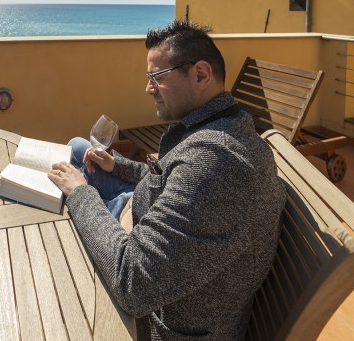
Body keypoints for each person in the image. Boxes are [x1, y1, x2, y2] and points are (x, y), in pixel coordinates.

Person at [48, 20, 286, 340]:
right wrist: (116, 165)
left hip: (154, 302)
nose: (148, 89)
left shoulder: (217, 164)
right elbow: (170, 178)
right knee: (78, 147)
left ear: (200, 75)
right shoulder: (218, 127)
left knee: (60, 213)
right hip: (143, 218)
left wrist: (81, 193)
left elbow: (131, 282)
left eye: (157, 78)